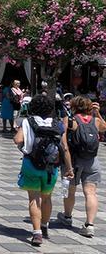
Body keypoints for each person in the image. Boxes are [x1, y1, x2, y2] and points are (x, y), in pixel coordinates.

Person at [15, 93, 73, 246]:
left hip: (31, 163)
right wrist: (69, 167)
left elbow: (18, 139)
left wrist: (25, 147)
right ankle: (44, 226)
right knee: (47, 197)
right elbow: (65, 148)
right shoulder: (58, 124)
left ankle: (36, 233)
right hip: (51, 166)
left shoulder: (28, 121)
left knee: (34, 198)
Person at [58, 95, 105, 238]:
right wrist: (97, 113)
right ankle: (89, 225)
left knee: (69, 191)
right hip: (92, 161)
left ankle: (67, 217)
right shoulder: (96, 121)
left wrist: (68, 165)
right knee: (90, 193)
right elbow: (104, 128)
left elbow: (63, 143)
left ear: (73, 106)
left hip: (73, 161)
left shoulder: (70, 120)